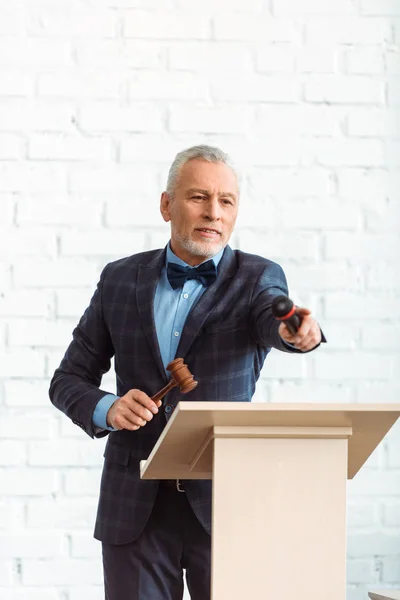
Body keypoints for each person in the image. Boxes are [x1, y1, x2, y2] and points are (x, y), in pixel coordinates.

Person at [49, 144, 326, 600]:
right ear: (166, 204)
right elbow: (67, 380)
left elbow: (274, 318)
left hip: (225, 503)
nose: (213, 213)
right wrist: (108, 408)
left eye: (227, 201)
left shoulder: (258, 278)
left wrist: (297, 333)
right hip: (134, 503)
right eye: (198, 197)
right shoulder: (119, 279)